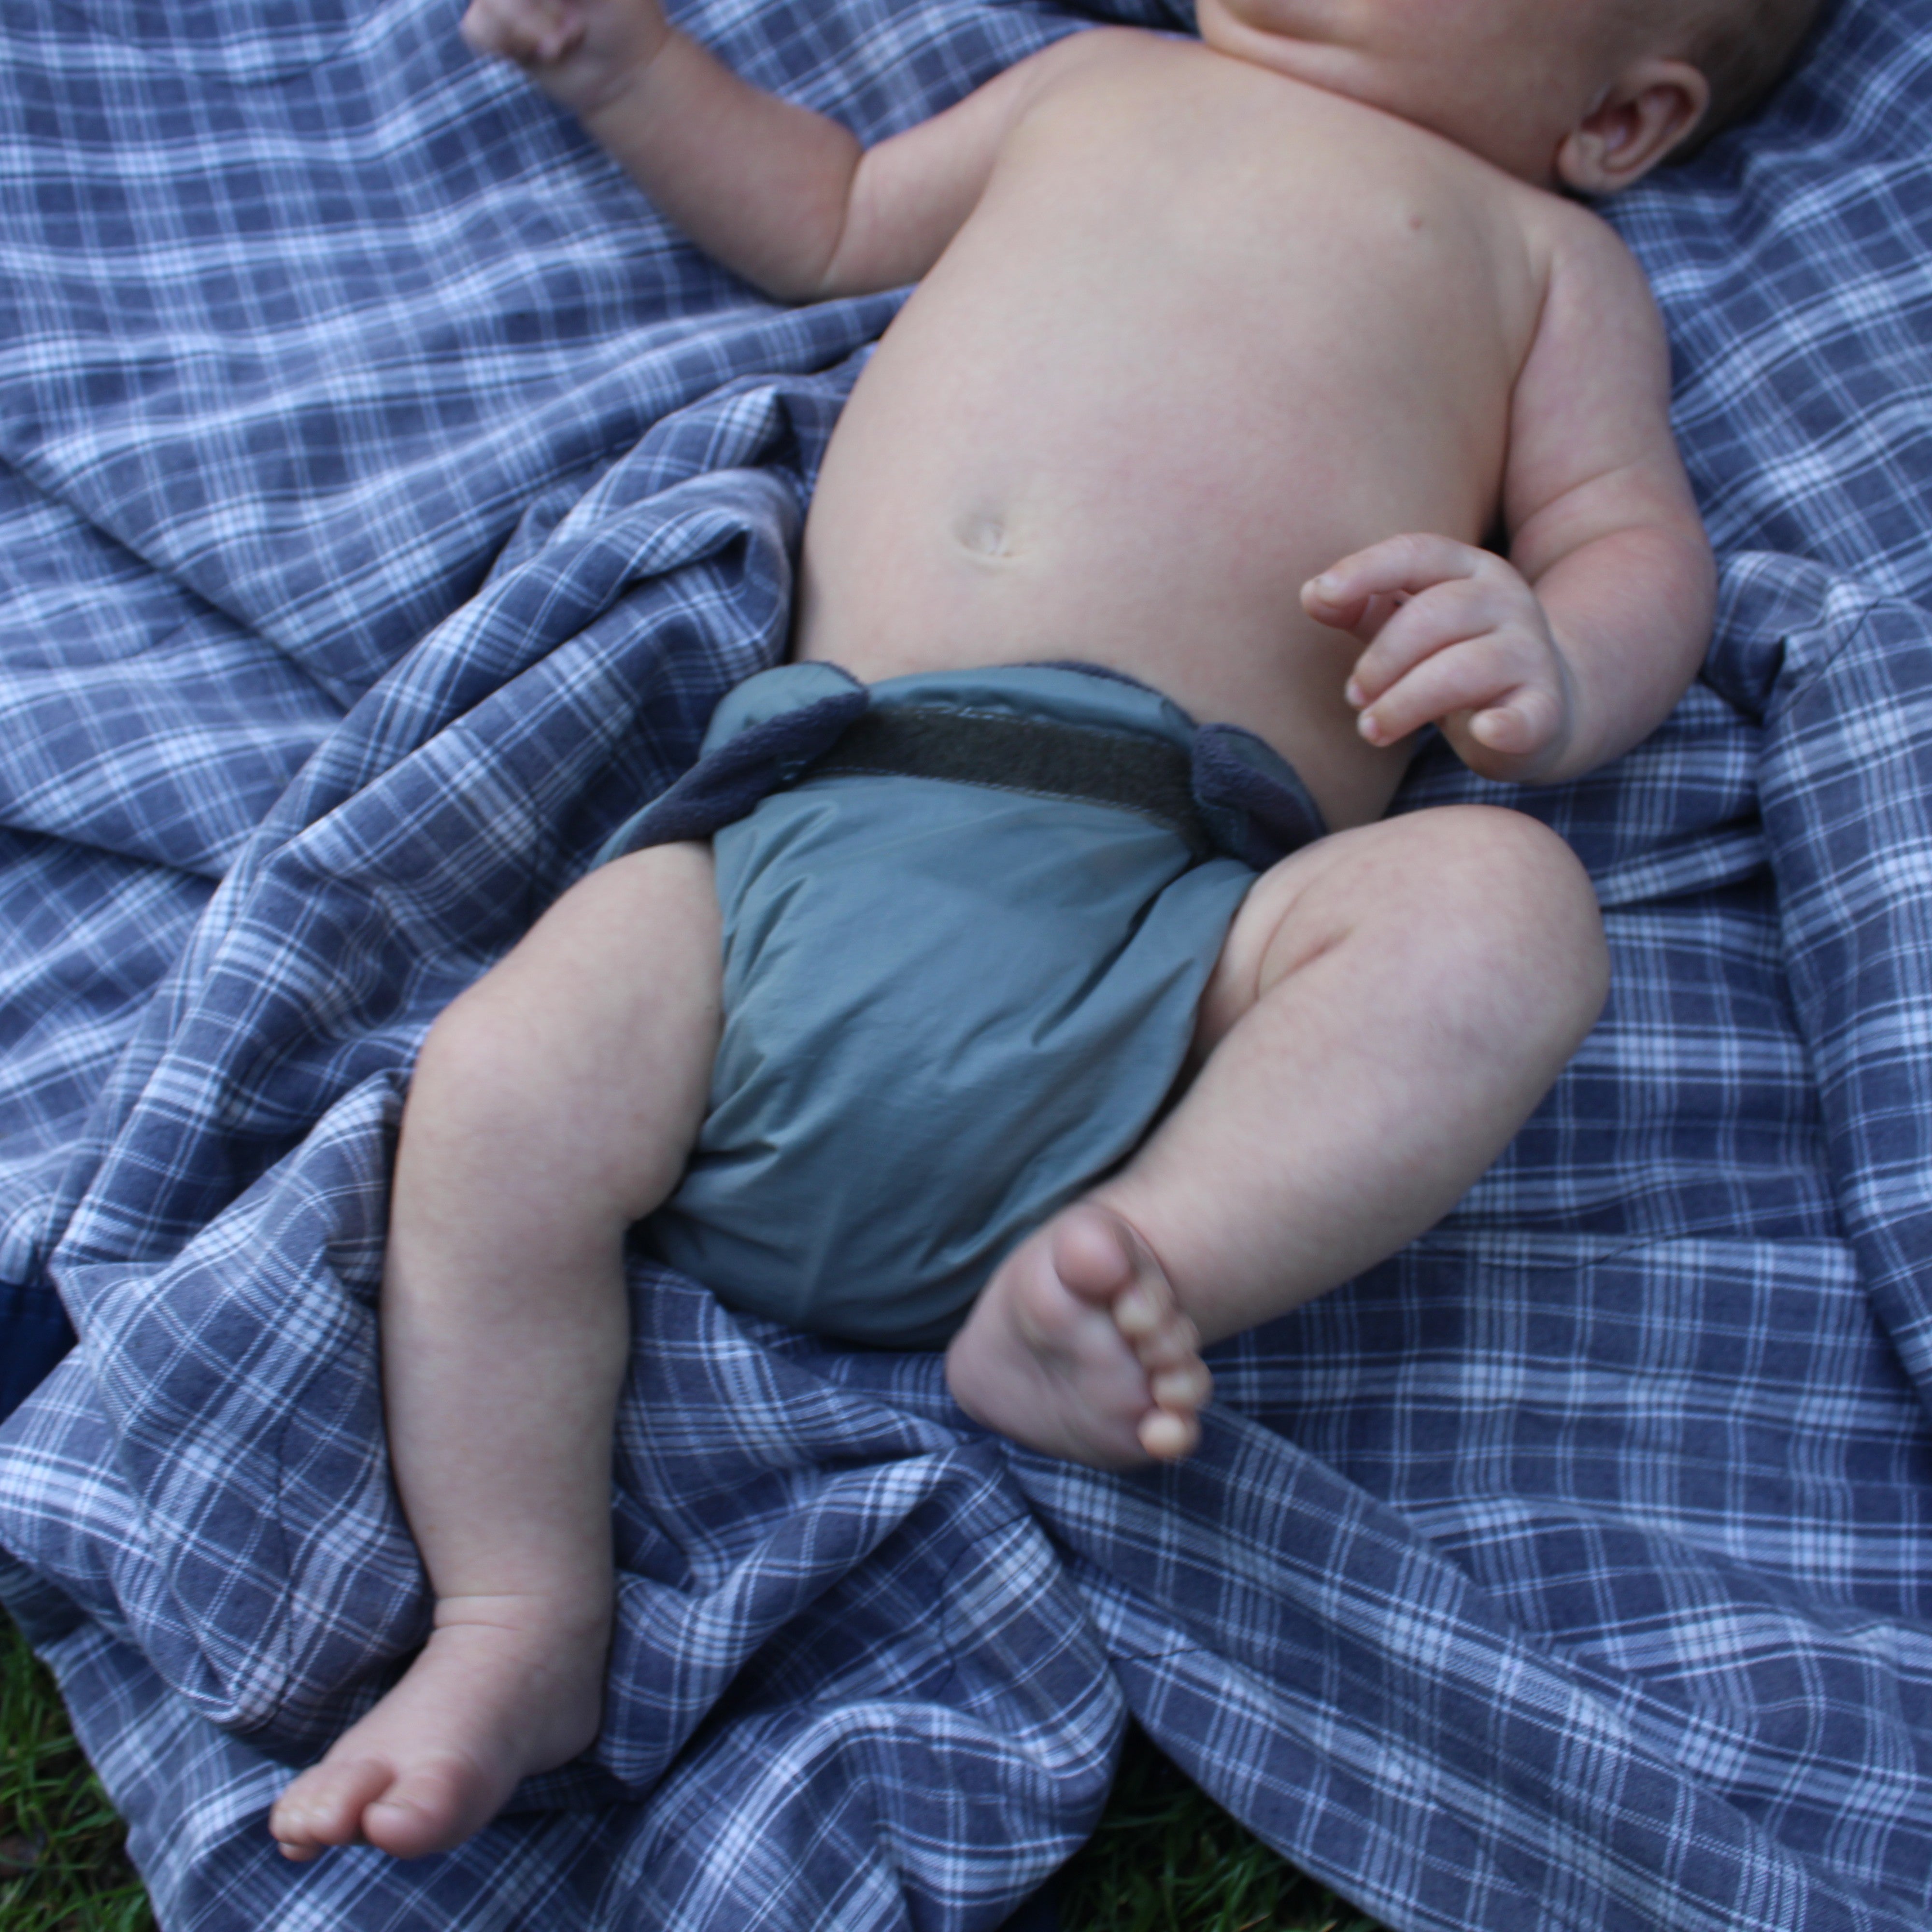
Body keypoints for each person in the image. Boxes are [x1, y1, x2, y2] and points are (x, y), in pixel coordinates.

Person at [268, 0, 1820, 1863]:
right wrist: (631, 74)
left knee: (1501, 912)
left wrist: (1556, 664)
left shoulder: (1545, 259)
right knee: (501, 1092)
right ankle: (519, 1615)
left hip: (1178, 930)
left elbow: (1634, 542)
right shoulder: (1098, 84)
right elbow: (829, 215)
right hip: (800, 845)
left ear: (1621, 118)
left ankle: (1129, 1269)